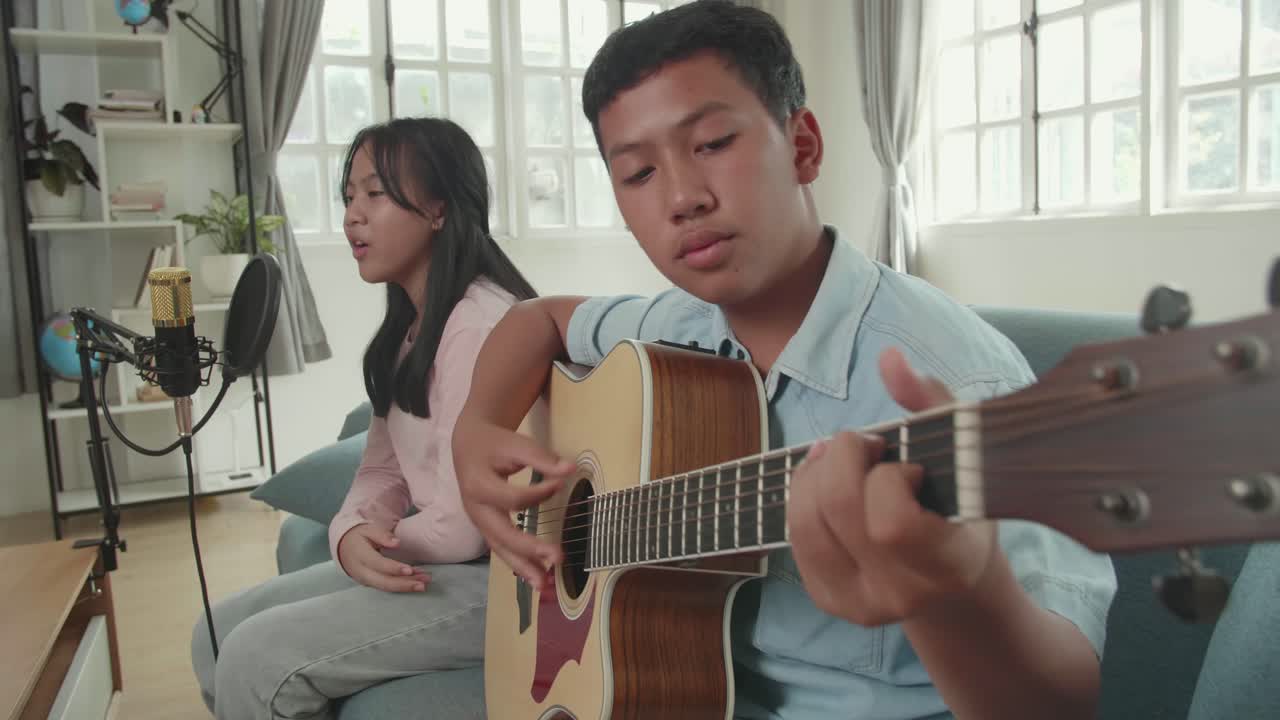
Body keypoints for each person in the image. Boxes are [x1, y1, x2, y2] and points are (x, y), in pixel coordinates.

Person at [451, 2, 1117, 718]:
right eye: (638, 173)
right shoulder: (673, 331)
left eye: (711, 143)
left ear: (801, 145)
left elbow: (1063, 700)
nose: (682, 197)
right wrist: (476, 427)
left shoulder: (962, 388)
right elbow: (539, 317)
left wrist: (956, 592)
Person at [191, 116, 536, 719]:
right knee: (214, 633)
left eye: (375, 194)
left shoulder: (480, 325)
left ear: (438, 209)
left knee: (252, 656)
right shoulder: (408, 329)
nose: (352, 214)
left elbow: (463, 530)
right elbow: (382, 469)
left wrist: (376, 542)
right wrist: (350, 531)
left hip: (498, 582)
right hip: (445, 561)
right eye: (349, 196)